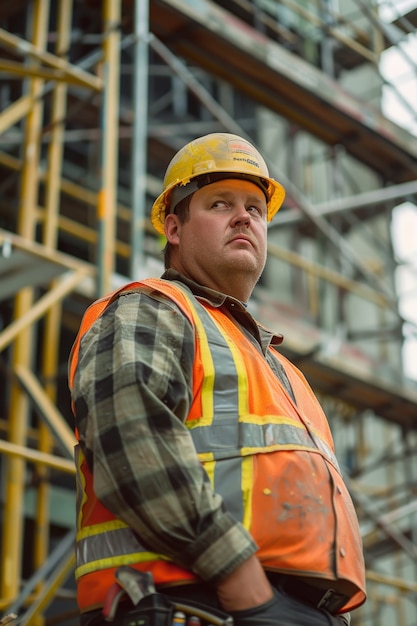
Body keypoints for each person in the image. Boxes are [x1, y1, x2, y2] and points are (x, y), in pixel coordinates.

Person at [69, 133, 366, 626]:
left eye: (255, 207)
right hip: (198, 601)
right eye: (219, 203)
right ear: (174, 228)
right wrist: (242, 583)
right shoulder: (152, 308)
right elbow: (132, 443)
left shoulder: (283, 369)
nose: (244, 216)